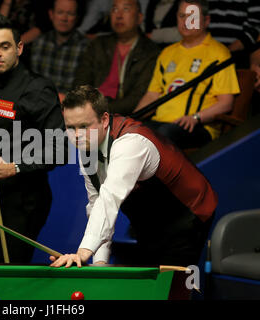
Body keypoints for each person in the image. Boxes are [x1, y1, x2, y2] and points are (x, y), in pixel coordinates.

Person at [50, 85, 217, 267]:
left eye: (84, 126)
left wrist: (82, 253)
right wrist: (99, 262)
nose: (77, 135)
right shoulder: (88, 147)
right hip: (148, 221)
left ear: (104, 120)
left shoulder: (131, 143)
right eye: (70, 127)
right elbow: (96, 204)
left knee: (170, 288)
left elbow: (109, 199)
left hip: (188, 214)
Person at [0, 14, 66, 263]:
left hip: (24, 202)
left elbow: (59, 149)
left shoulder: (38, 89)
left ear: (19, 48)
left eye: (5, 46)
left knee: (6, 276)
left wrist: (15, 167)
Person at [133, 0, 240, 149]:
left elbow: (226, 103)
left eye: (192, 16)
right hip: (161, 123)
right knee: (130, 134)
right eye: (182, 16)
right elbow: (152, 95)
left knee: (161, 135)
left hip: (196, 126)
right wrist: (131, 121)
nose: (186, 21)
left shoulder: (219, 53)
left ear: (206, 20)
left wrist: (196, 118)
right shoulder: (167, 53)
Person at [73, 0, 161, 115]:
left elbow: (138, 97)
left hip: (120, 115)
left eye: (126, 9)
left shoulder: (150, 51)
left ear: (139, 18)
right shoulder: (98, 44)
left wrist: (98, 110)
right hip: (88, 110)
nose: (119, 15)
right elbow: (81, 80)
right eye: (114, 9)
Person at [30, 0, 89, 100]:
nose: (64, 18)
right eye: (60, 12)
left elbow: (85, 90)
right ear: (51, 14)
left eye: (70, 14)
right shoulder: (40, 43)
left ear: (77, 18)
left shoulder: (86, 47)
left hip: (72, 107)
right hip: (40, 104)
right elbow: (33, 83)